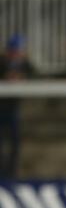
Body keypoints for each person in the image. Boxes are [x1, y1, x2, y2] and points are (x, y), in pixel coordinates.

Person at [0, 34, 34, 178]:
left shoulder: (25, 64)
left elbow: (34, 76)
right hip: (1, 109)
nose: (17, 53)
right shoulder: (2, 63)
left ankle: (12, 172)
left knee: (15, 142)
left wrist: (21, 77)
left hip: (13, 110)